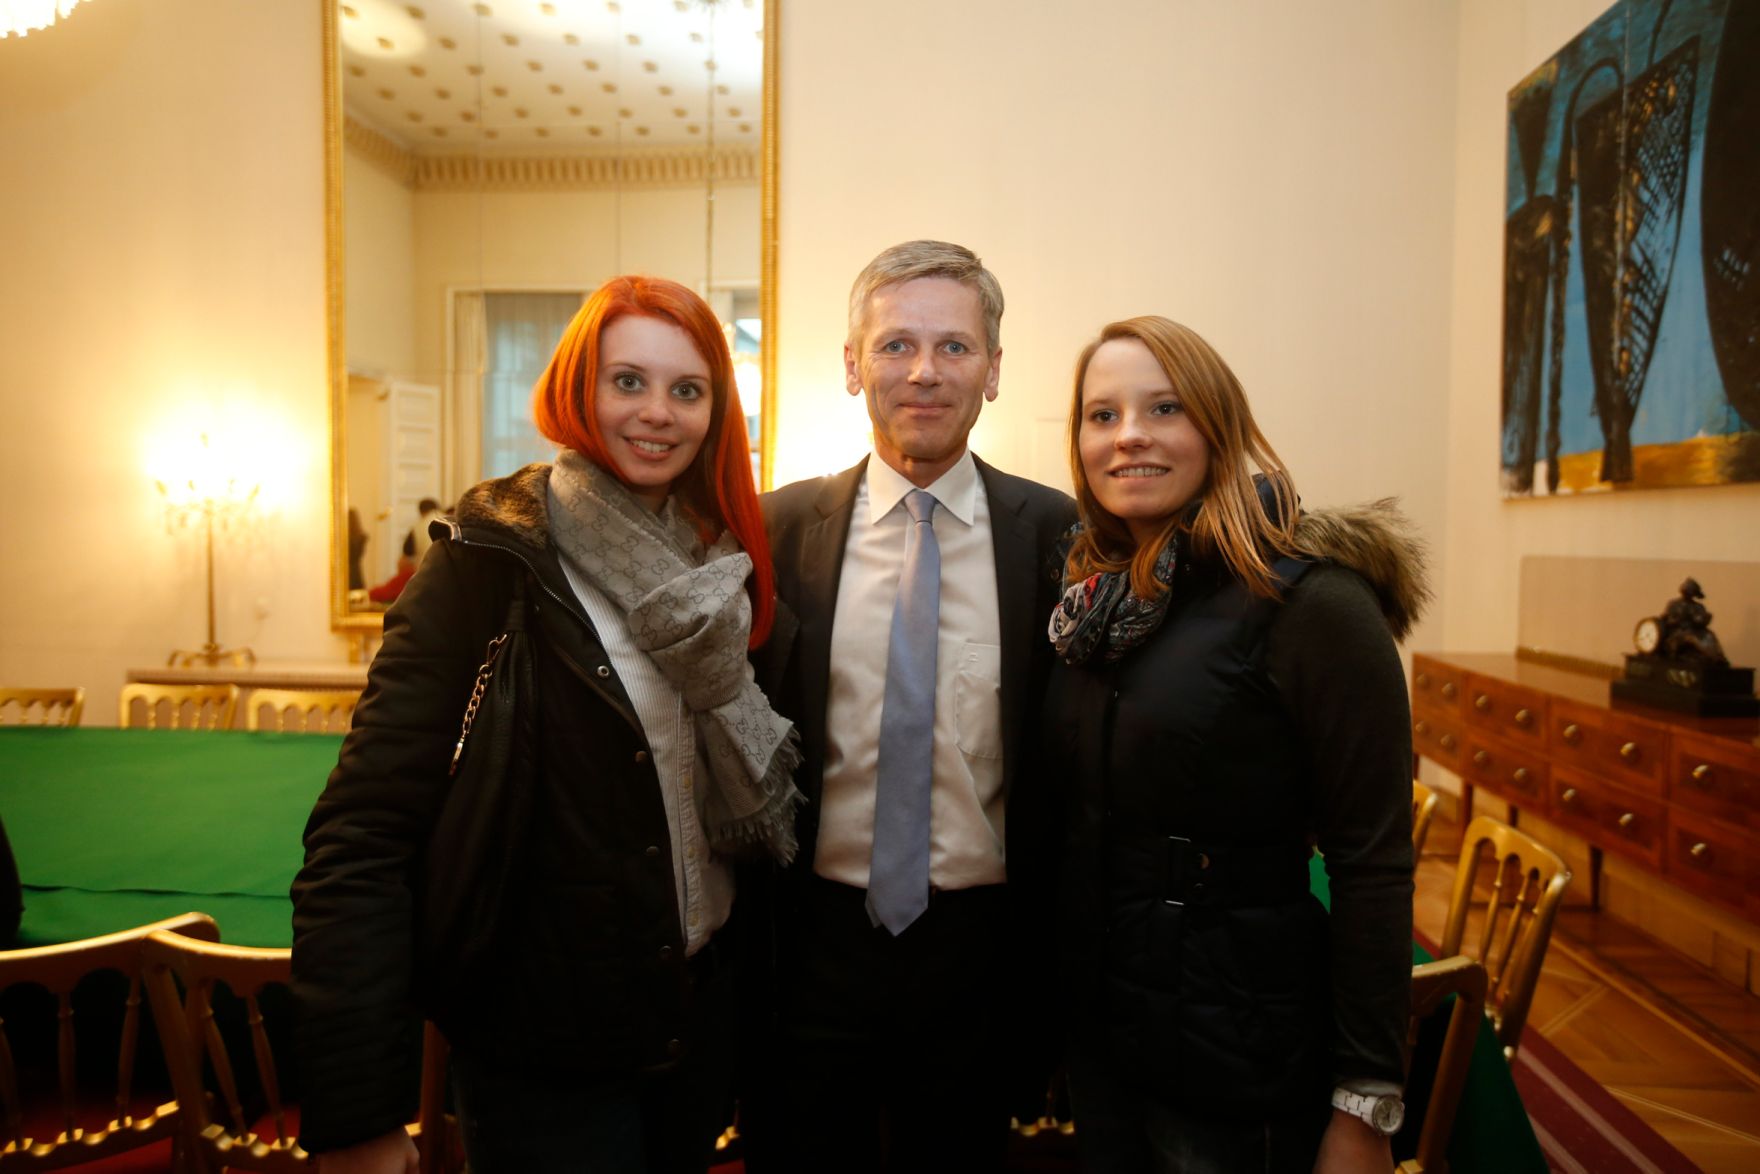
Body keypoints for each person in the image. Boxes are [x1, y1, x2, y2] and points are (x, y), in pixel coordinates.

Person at [291, 275, 801, 1174]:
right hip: (545, 1045)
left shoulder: (718, 566)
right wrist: (356, 1111)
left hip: (694, 1022)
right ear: (578, 388)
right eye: (628, 381)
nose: (657, 413)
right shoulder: (489, 561)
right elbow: (361, 834)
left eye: (688, 390)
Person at [1045, 315, 1424, 1172]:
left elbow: (1372, 863)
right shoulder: (1089, 611)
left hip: (1240, 1057)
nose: (1129, 435)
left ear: (1217, 428)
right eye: (1101, 415)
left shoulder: (1310, 604)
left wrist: (1366, 1106)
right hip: (1107, 1044)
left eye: (1164, 408)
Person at [747, 240, 1076, 1173]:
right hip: (810, 950)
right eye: (895, 346)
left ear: (995, 371)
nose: (924, 372)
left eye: (954, 348)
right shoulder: (775, 533)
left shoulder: (1060, 537)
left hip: (982, 958)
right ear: (852, 367)